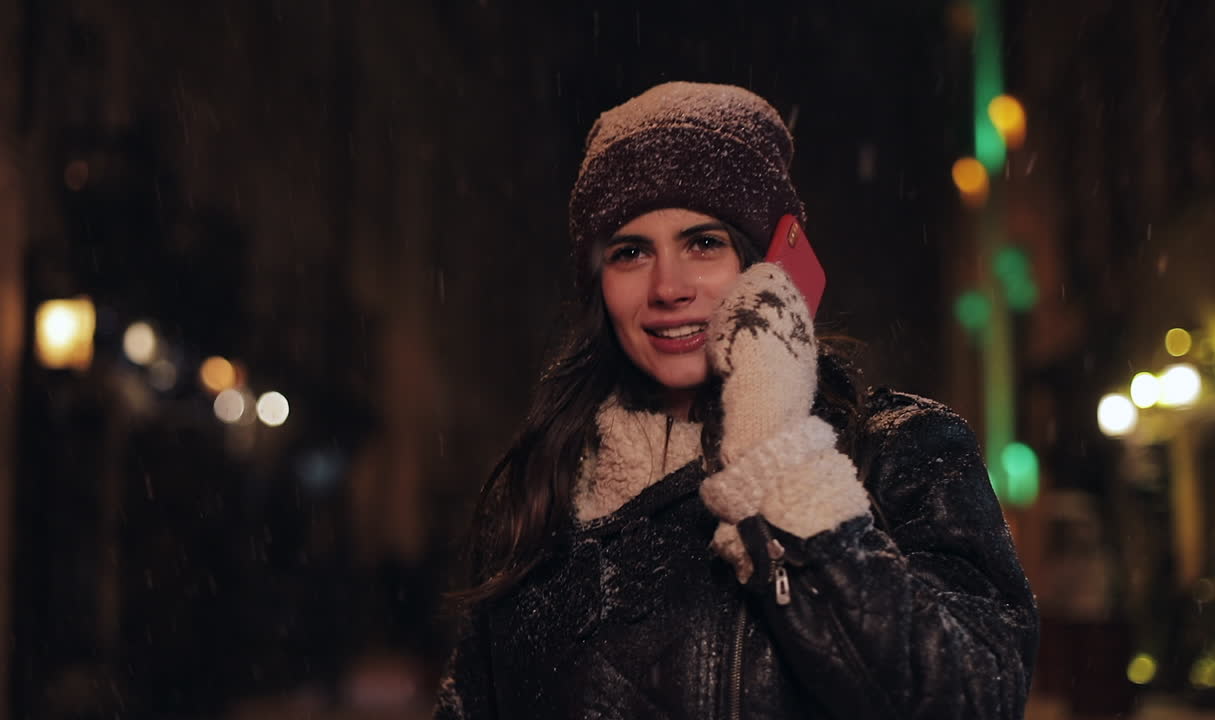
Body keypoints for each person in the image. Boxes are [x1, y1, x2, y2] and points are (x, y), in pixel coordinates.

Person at [433, 82, 1038, 719]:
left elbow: (974, 699)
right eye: (631, 252)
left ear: (770, 267)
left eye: (704, 243)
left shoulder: (901, 452)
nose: (669, 287)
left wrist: (776, 459)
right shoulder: (540, 487)